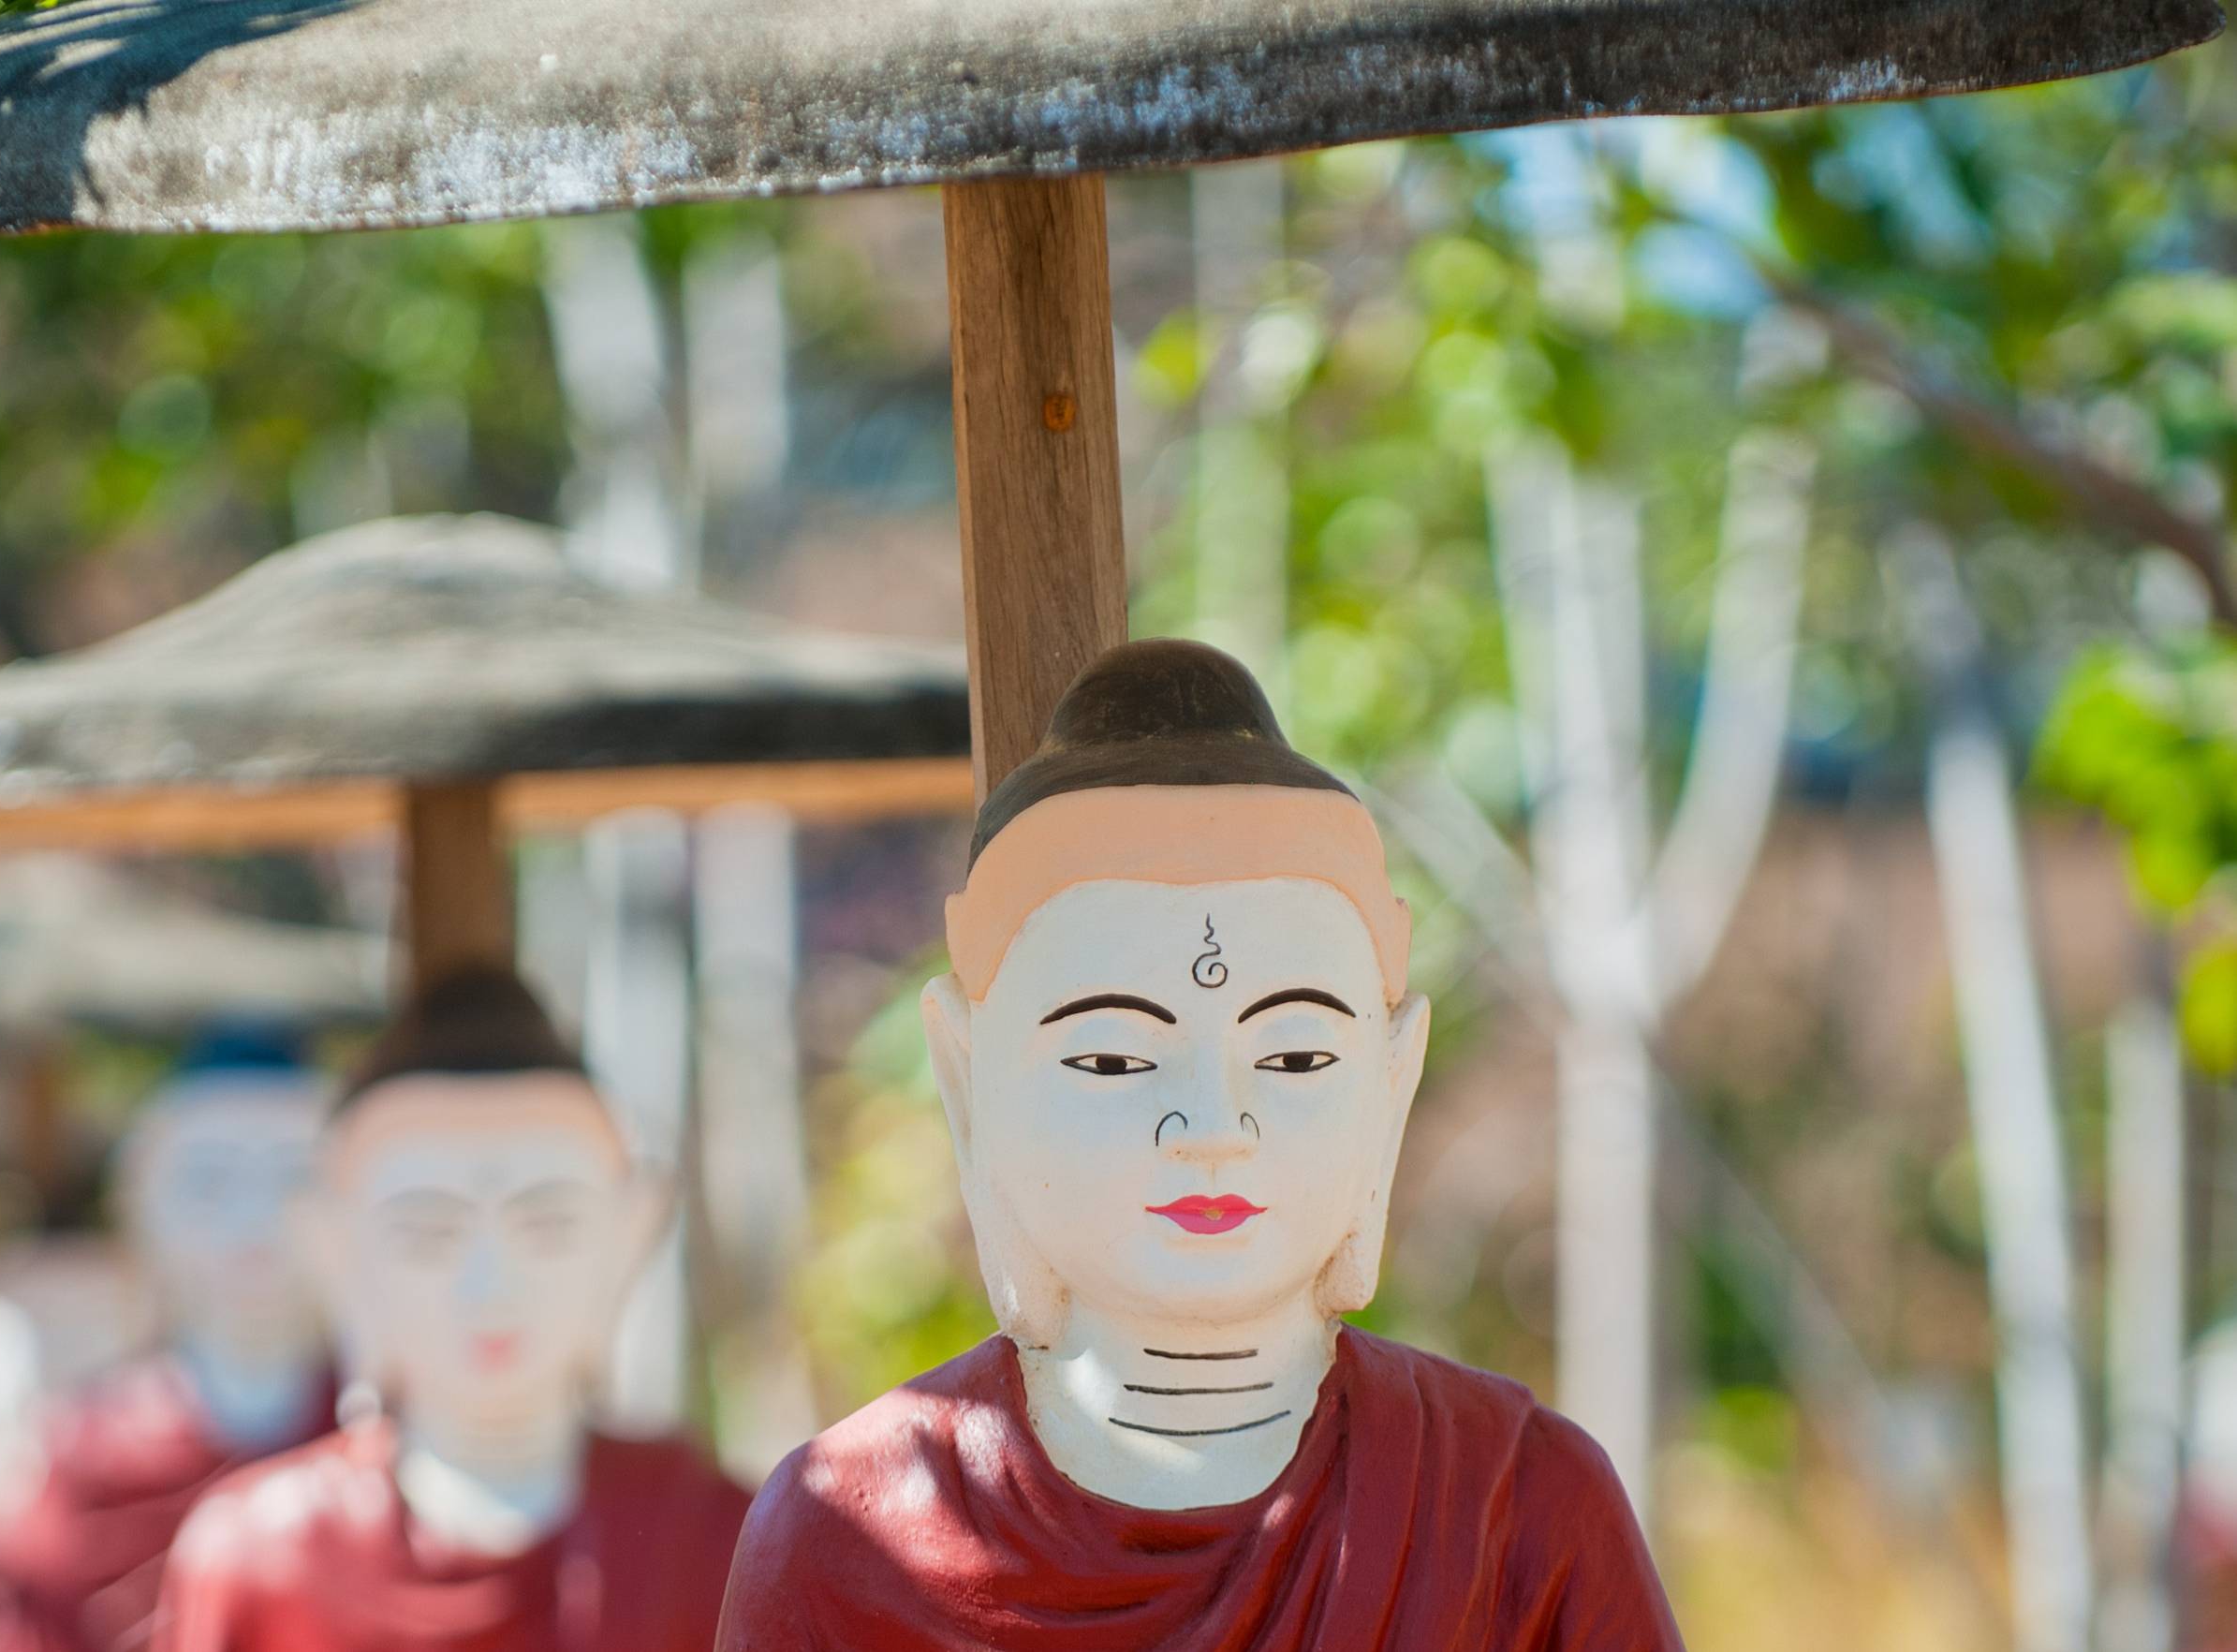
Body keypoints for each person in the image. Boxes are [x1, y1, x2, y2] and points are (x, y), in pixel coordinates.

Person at [717, 639, 1684, 1651]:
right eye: (1112, 1062)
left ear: (1390, 1079)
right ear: (967, 1077)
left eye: (1296, 1057)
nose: (1212, 1130)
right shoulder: (850, 1532)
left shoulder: (1516, 1507)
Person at [149, 966, 748, 1652]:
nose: (490, 1287)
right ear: (338, 1248)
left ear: (631, 1232)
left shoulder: (711, 1536)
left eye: (548, 1229)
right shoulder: (259, 1551)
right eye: (429, 1235)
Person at [0, 1025, 338, 1652]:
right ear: (143, 1206)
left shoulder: (380, 1441)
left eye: (291, 1178)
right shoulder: (78, 1453)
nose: (253, 1222)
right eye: (210, 1183)